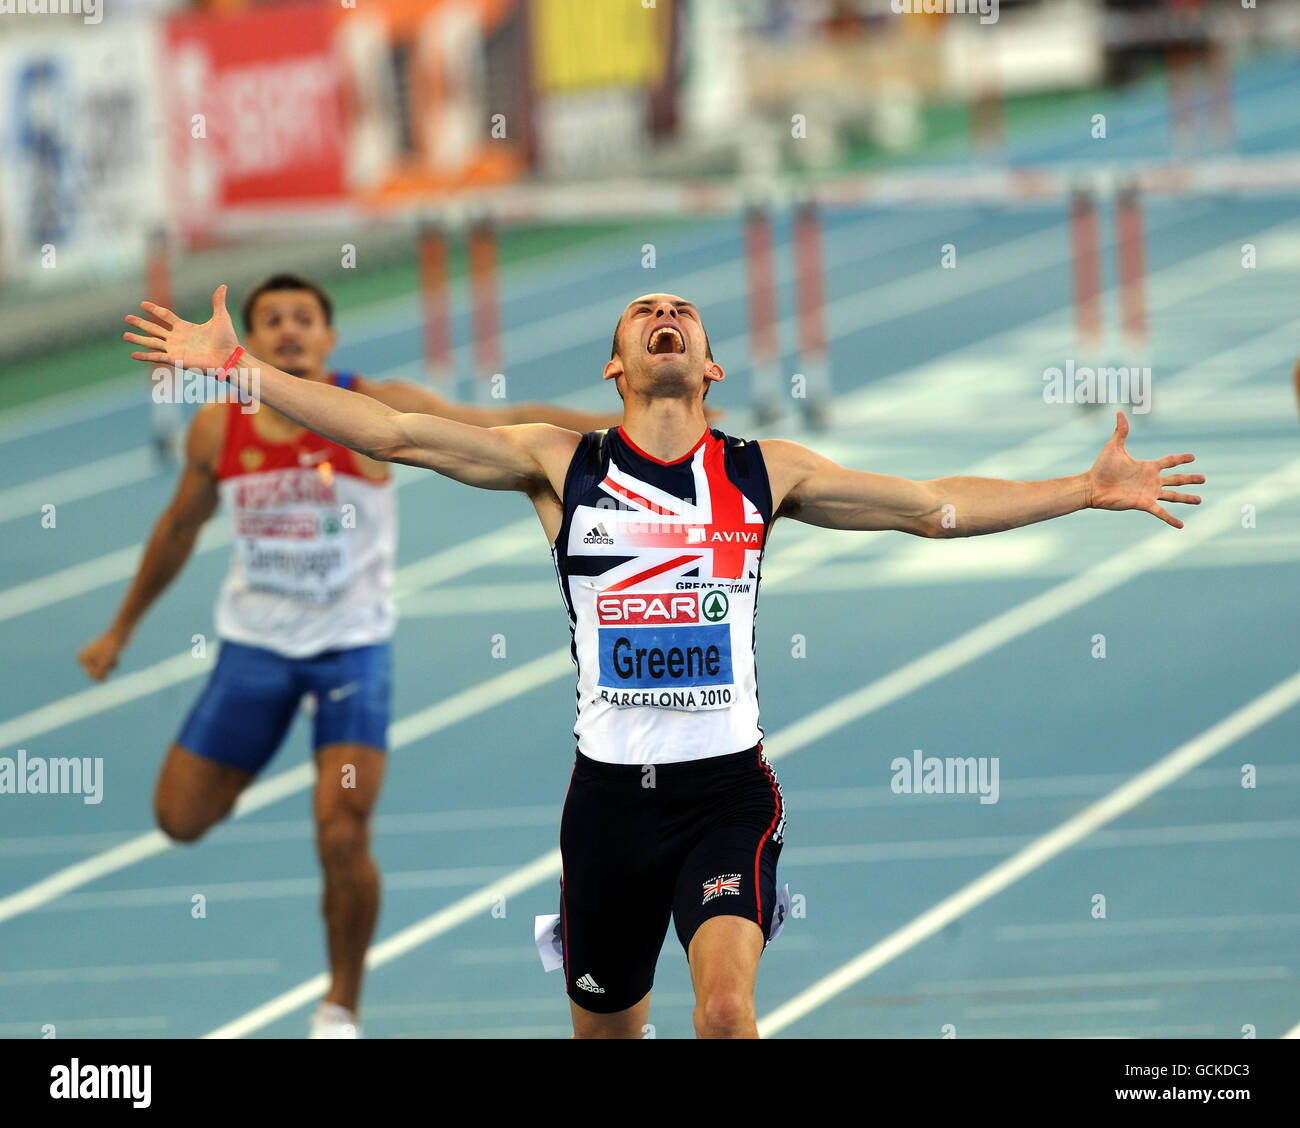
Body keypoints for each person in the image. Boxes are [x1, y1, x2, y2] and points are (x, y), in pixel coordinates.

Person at [121, 287, 1204, 1039]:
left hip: (725, 792)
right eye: (644, 315)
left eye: (682, 312)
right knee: (608, 1025)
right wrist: (240, 371)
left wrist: (1079, 487)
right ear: (616, 364)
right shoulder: (557, 463)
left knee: (725, 1013)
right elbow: (392, 432)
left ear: (711, 363)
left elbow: (931, 509)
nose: (665, 316)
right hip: (605, 808)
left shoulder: (764, 470)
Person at [81, 274, 620, 1038]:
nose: (290, 331)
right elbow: (176, 529)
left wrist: (621, 434)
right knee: (178, 816)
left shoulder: (375, 405)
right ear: (251, 339)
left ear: (330, 338)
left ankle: (341, 1006)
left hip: (350, 654)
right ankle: (244, 750)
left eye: (305, 319)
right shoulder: (216, 428)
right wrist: (121, 629)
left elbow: (503, 427)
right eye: (272, 321)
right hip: (255, 651)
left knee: (340, 831)